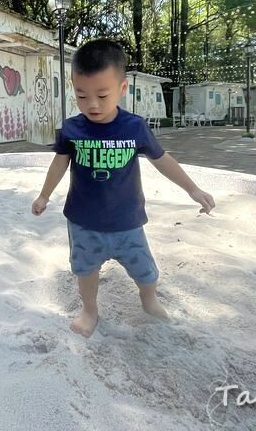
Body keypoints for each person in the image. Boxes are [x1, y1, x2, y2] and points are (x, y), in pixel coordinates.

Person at [32, 39, 215, 337]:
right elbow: (59, 163)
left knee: (145, 271)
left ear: (122, 88)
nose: (92, 104)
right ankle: (90, 310)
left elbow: (161, 159)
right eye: (81, 95)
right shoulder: (72, 129)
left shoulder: (134, 127)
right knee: (86, 270)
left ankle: (149, 300)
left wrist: (192, 189)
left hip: (127, 220)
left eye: (102, 95)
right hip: (83, 221)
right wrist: (44, 195)